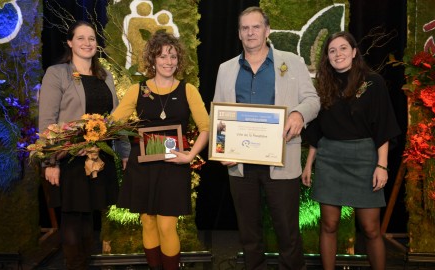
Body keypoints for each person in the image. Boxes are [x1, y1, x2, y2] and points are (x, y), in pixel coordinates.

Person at [213, 6, 320, 270]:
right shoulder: (226, 69)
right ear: (239, 33)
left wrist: (298, 114)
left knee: (287, 230)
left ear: (267, 30)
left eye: (256, 27)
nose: (250, 33)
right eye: (245, 28)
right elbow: (218, 112)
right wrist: (222, 149)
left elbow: (313, 100)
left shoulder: (291, 62)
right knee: (249, 232)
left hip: (281, 161)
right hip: (240, 163)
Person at [301, 31, 401, 270]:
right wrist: (308, 165)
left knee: (371, 228)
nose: (338, 54)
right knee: (329, 224)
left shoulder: (373, 82)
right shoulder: (323, 84)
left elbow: (384, 126)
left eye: (343, 48)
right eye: (332, 50)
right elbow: (317, 129)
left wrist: (382, 166)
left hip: (365, 159)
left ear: (354, 52)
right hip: (329, 159)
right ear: (327, 57)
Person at [111, 31, 209, 270]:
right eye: (163, 56)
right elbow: (113, 122)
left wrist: (189, 155)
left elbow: (206, 127)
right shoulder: (138, 90)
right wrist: (87, 128)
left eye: (173, 56)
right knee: (148, 223)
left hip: (174, 166)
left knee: (167, 225)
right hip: (143, 166)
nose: (168, 61)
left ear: (179, 60)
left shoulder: (188, 90)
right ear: (152, 60)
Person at [39, 20, 129, 270]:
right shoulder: (57, 73)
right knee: (72, 217)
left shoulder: (105, 74)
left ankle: (85, 263)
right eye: (81, 38)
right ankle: (74, 266)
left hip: (99, 158)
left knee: (89, 215)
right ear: (69, 42)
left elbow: (115, 118)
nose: (87, 43)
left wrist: (124, 152)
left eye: (91, 38)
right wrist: (49, 161)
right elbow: (47, 122)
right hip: (68, 158)